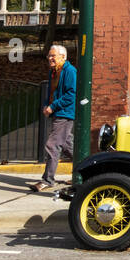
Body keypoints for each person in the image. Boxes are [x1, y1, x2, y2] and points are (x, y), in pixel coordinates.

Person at [31, 44, 76, 192]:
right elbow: (52, 92)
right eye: (49, 56)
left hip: (65, 113)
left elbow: (71, 94)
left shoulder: (70, 71)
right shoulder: (54, 71)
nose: (50, 58)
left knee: (52, 145)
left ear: (63, 57)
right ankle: (83, 174)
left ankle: (48, 180)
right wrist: (46, 105)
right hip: (58, 112)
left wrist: (53, 106)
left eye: (53, 56)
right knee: (68, 146)